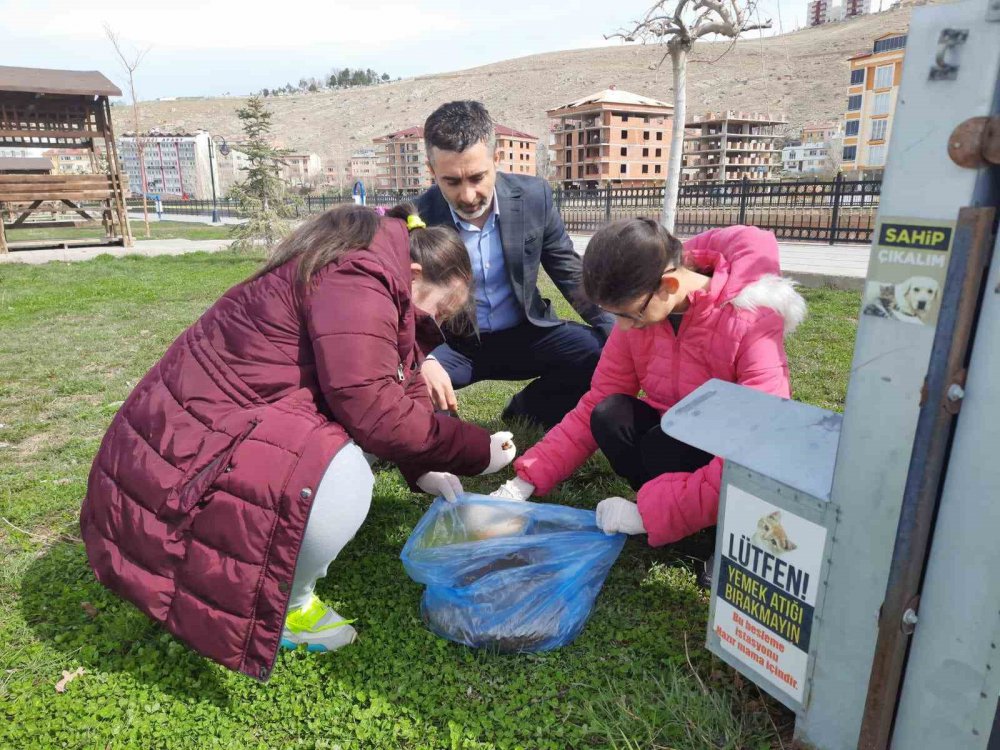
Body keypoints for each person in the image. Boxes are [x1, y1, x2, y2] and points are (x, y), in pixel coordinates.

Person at [79, 203, 517, 680]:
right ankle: (289, 605)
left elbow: (397, 376)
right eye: (436, 309)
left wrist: (422, 467)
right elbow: (374, 409)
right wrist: (478, 450)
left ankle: (277, 572)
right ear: (413, 275)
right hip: (184, 461)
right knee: (344, 477)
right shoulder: (361, 276)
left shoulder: (367, 264)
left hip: (188, 438)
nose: (431, 323)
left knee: (344, 448)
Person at [492, 220, 806, 577]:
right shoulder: (640, 318)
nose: (623, 328)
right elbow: (598, 400)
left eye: (629, 315)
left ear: (668, 285)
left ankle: (715, 530)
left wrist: (647, 513)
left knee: (671, 447)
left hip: (729, 455)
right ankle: (668, 510)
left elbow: (754, 448)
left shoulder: (749, 320)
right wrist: (524, 481)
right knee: (611, 415)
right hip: (674, 438)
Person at [415, 100, 614, 429]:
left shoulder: (535, 197)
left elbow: (567, 270)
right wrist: (421, 360)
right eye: (451, 181)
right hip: (455, 345)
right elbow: (396, 305)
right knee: (407, 385)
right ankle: (444, 427)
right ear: (431, 170)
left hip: (527, 333)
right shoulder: (416, 219)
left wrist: (615, 333)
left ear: (496, 159)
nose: (467, 195)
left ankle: (526, 411)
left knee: (597, 352)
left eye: (478, 177)